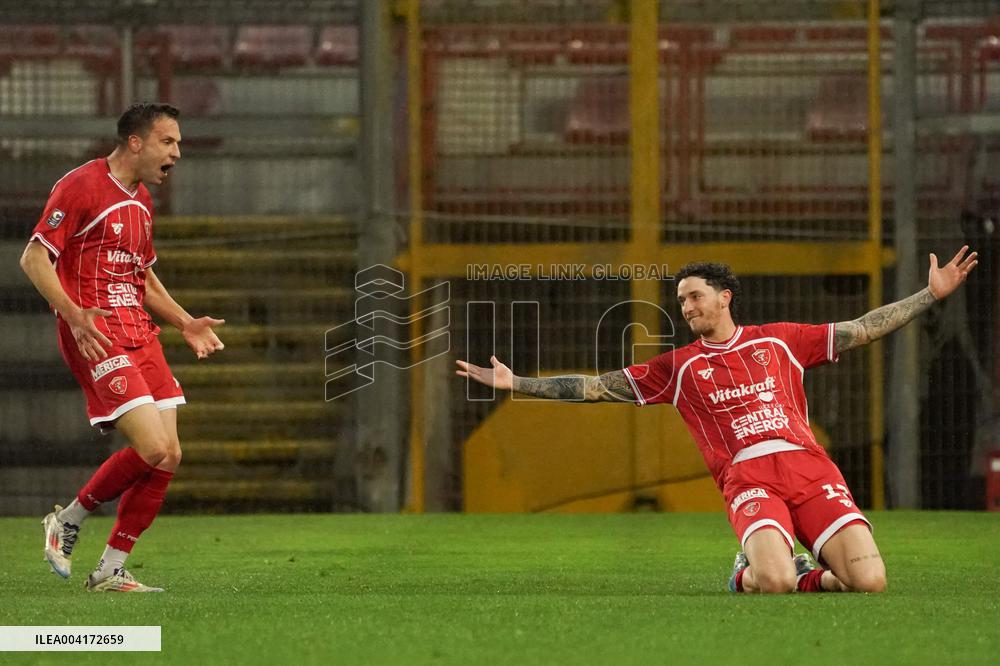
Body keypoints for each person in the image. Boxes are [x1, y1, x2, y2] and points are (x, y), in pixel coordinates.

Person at [457, 248, 978, 593]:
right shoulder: (678, 368)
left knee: (870, 584)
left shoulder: (781, 339)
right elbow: (595, 388)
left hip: (810, 470)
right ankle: (751, 572)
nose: (685, 306)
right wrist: (518, 384)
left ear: (724, 297)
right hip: (749, 479)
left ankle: (810, 571)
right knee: (771, 584)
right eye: (680, 299)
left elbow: (862, 329)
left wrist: (931, 294)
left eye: (695, 296)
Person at [20, 102, 225, 592]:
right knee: (151, 446)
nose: (177, 152)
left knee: (170, 454)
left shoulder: (141, 201)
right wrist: (72, 313)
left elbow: (142, 276)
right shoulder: (82, 185)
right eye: (168, 142)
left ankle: (110, 569)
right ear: (136, 143)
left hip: (140, 332)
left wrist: (184, 322)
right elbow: (33, 258)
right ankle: (68, 519)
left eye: (178, 143)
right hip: (96, 332)